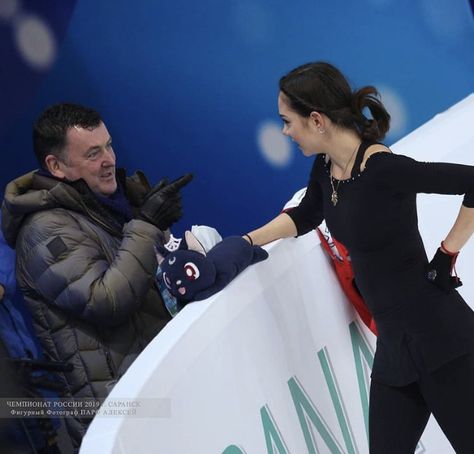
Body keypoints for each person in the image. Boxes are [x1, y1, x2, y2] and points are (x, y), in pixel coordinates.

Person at [243, 62, 474, 453]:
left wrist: (447, 252)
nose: (285, 131)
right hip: (395, 353)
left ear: (316, 119)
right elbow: (306, 215)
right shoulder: (326, 168)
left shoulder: (382, 168)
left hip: (442, 342)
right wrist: (245, 243)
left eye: (287, 121)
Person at [1, 103, 192, 449]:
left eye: (108, 145)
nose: (109, 159)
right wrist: (147, 227)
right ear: (56, 166)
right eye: (93, 153)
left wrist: (163, 234)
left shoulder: (111, 203)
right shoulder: (43, 231)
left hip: (162, 388)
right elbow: (106, 300)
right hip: (119, 414)